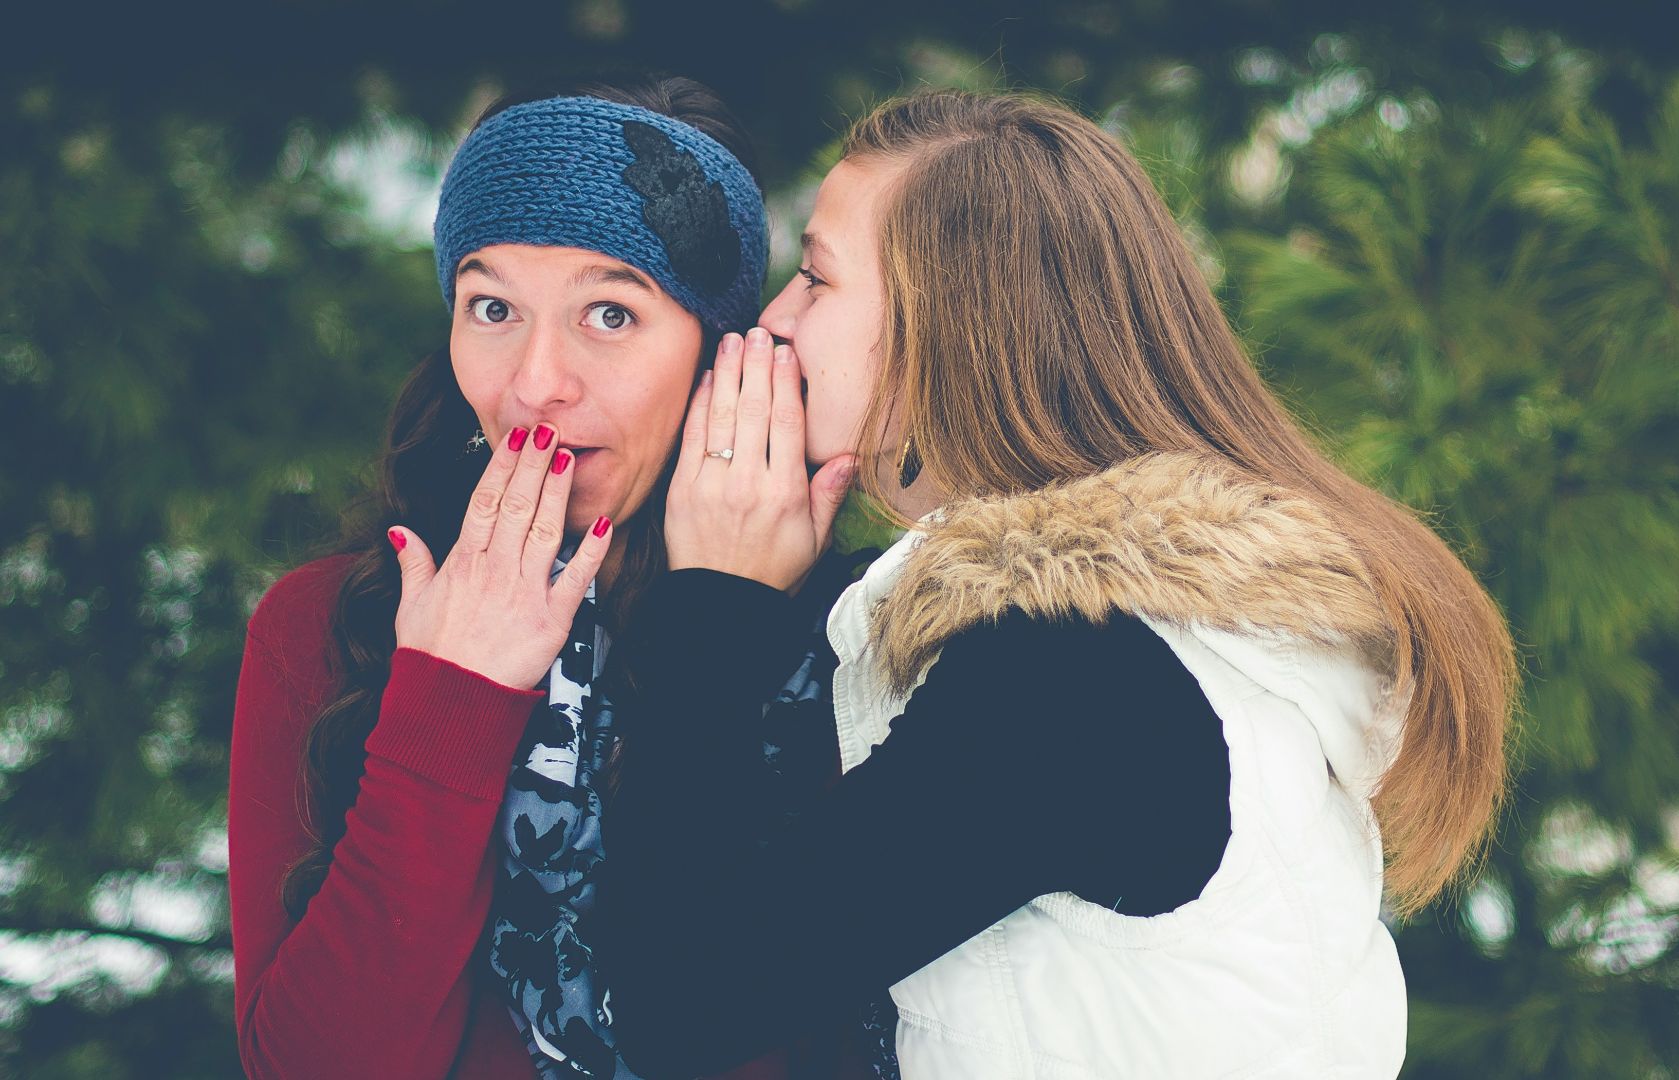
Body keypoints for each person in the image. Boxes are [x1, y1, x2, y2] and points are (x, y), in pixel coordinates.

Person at [575, 89, 1521, 1079]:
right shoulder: (1152, 637)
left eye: (815, 278)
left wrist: (715, 609)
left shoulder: (1075, 682)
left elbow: (683, 1003)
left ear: (947, 330)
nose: (775, 320)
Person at [225, 73, 849, 1079]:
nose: (535, 382)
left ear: (716, 352)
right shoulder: (329, 624)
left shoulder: (842, 627)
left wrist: (723, 618)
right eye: (492, 306)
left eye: (611, 314)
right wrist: (451, 699)